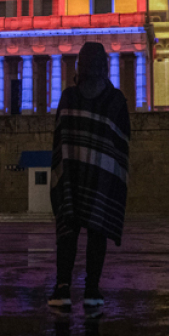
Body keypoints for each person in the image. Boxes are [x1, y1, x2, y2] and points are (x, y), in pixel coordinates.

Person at [49, 42, 131, 311]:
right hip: (103, 175)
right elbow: (123, 140)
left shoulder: (68, 97)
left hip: (71, 175)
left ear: (79, 66)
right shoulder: (116, 99)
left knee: (68, 231)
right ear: (105, 66)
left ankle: (62, 287)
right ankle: (92, 289)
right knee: (97, 230)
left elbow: (59, 137)